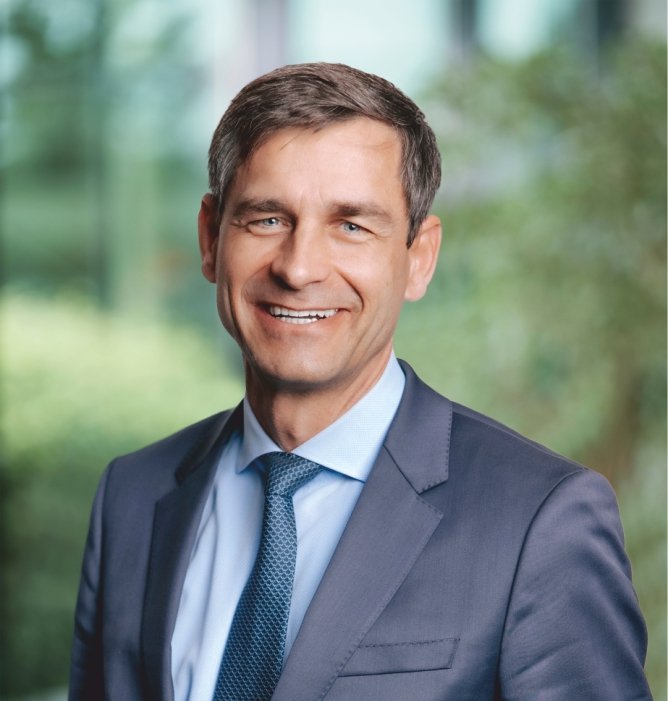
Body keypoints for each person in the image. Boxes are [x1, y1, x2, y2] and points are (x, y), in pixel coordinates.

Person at [68, 62, 652, 701]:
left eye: (352, 225)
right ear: (211, 239)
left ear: (419, 258)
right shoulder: (132, 496)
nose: (299, 268)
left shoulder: (539, 520)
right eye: (267, 219)